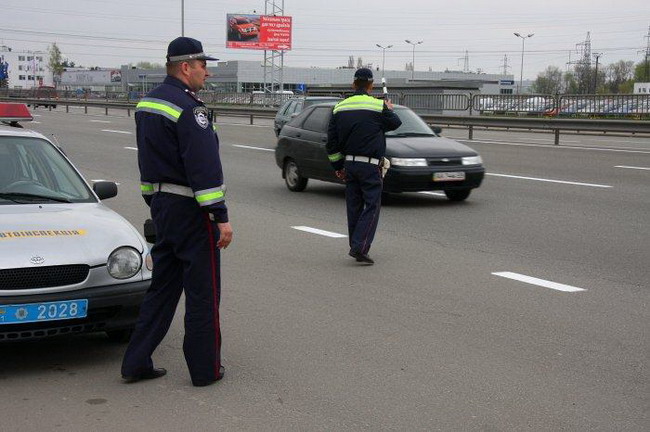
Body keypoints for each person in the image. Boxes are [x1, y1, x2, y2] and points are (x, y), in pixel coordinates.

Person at [121, 37, 233, 387]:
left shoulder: (147, 103)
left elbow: (146, 160)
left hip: (163, 207)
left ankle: (135, 362)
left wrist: (154, 203)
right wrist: (220, 216)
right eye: (203, 65)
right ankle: (205, 370)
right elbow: (203, 167)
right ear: (186, 67)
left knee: (162, 290)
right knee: (203, 293)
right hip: (191, 211)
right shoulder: (189, 108)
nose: (207, 72)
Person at [326, 68, 402, 265]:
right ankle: (360, 247)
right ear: (371, 85)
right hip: (370, 166)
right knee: (372, 206)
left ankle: (355, 244)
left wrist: (337, 165)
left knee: (354, 207)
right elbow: (396, 123)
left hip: (349, 164)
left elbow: (331, 143)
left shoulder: (339, 107)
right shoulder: (377, 106)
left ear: (353, 84)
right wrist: (388, 108)